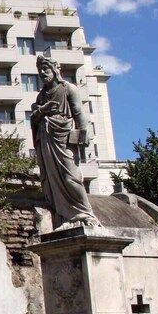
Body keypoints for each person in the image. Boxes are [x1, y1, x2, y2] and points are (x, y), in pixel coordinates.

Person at [30, 55, 100, 230]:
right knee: (53, 181)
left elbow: (79, 114)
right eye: (40, 70)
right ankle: (63, 217)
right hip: (46, 137)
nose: (42, 73)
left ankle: (85, 214)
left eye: (45, 68)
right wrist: (42, 111)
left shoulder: (68, 88)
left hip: (63, 137)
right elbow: (34, 118)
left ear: (54, 70)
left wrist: (83, 136)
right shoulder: (41, 96)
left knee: (71, 177)